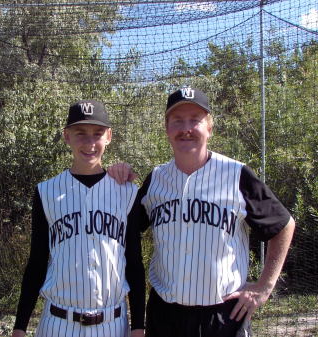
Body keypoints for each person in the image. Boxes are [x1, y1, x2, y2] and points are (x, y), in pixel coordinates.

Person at [108, 87, 295, 337]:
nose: (186, 128)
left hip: (223, 316)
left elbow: (283, 225)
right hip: (165, 315)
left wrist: (264, 286)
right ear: (167, 129)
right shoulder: (155, 179)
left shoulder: (236, 174)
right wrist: (113, 177)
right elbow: (121, 229)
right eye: (177, 120)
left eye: (195, 120)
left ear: (210, 128)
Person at [12, 100, 145, 337]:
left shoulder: (127, 192)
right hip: (58, 323)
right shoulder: (47, 191)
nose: (90, 142)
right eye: (80, 133)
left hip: (112, 324)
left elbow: (134, 264)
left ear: (109, 136)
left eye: (97, 133)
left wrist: (138, 327)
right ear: (67, 136)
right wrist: (20, 326)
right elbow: (37, 262)